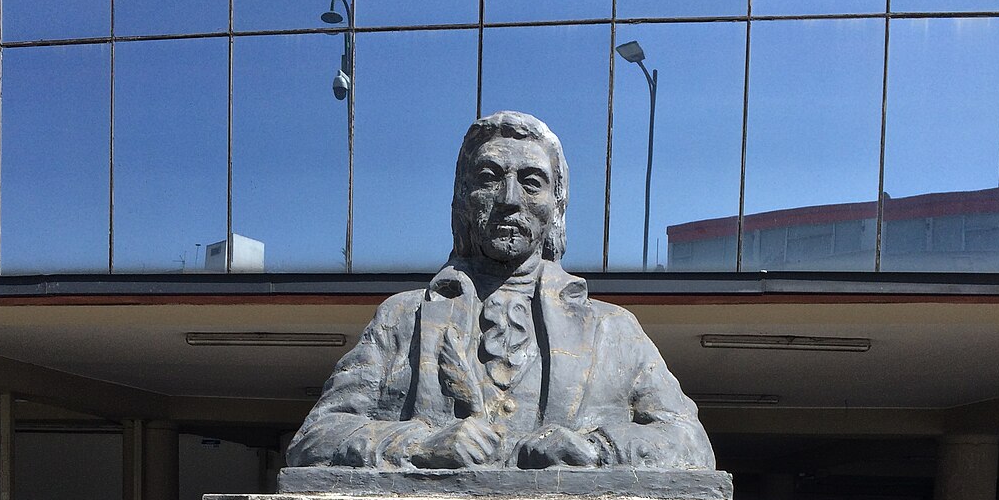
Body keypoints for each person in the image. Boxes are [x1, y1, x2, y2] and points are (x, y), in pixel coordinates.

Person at [286, 111, 714, 470]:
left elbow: (689, 443)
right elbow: (315, 439)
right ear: (463, 198)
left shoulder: (613, 330)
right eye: (489, 178)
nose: (509, 199)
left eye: (531, 182)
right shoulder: (404, 318)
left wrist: (595, 448)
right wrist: (421, 445)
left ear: (556, 205)